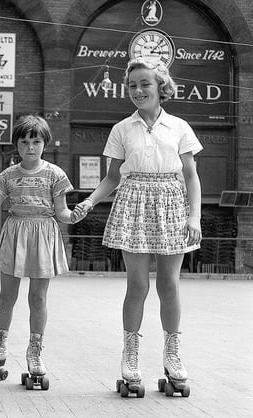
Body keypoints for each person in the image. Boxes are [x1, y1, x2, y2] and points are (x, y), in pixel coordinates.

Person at [72, 58, 202, 396]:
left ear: (161, 87)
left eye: (145, 84)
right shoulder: (121, 129)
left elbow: (190, 175)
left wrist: (194, 216)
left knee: (169, 285)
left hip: (171, 202)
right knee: (137, 285)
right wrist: (89, 201)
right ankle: (130, 355)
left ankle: (172, 354)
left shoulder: (179, 127)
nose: (138, 90)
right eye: (132, 85)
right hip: (133, 201)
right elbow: (113, 177)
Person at [0, 115, 78, 387]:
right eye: (24, 141)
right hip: (15, 234)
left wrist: (75, 215)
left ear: (44, 143)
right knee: (6, 296)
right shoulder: (7, 176)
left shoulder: (55, 174)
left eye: (36, 141)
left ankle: (35, 352)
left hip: (44, 234)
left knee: (38, 298)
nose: (30, 147)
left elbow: (62, 213)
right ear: (16, 145)